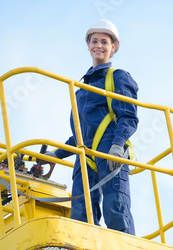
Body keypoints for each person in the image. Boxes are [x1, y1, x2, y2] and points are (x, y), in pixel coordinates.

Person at [46, 19, 139, 235]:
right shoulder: (79, 90)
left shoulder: (118, 77)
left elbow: (128, 117)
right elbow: (78, 134)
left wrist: (117, 146)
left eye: (104, 42)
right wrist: (55, 155)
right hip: (84, 155)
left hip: (109, 149)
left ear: (113, 47)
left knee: (115, 207)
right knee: (80, 213)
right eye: (94, 41)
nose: (99, 45)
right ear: (88, 45)